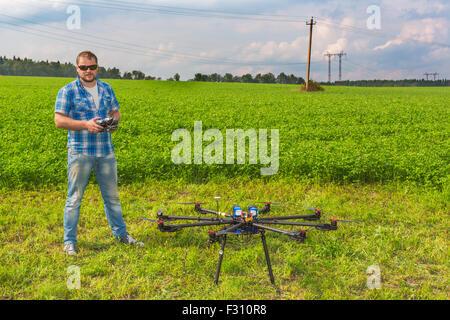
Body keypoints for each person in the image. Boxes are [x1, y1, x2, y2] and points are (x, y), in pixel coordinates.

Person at [54, 50, 143, 256]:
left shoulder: (106, 88)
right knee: (74, 198)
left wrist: (113, 122)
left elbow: (115, 112)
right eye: (84, 67)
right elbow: (59, 121)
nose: (88, 71)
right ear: (77, 68)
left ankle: (122, 236)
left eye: (92, 67)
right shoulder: (67, 91)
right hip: (80, 151)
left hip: (105, 151)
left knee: (112, 197)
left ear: (97, 67)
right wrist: (86, 124)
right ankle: (69, 242)